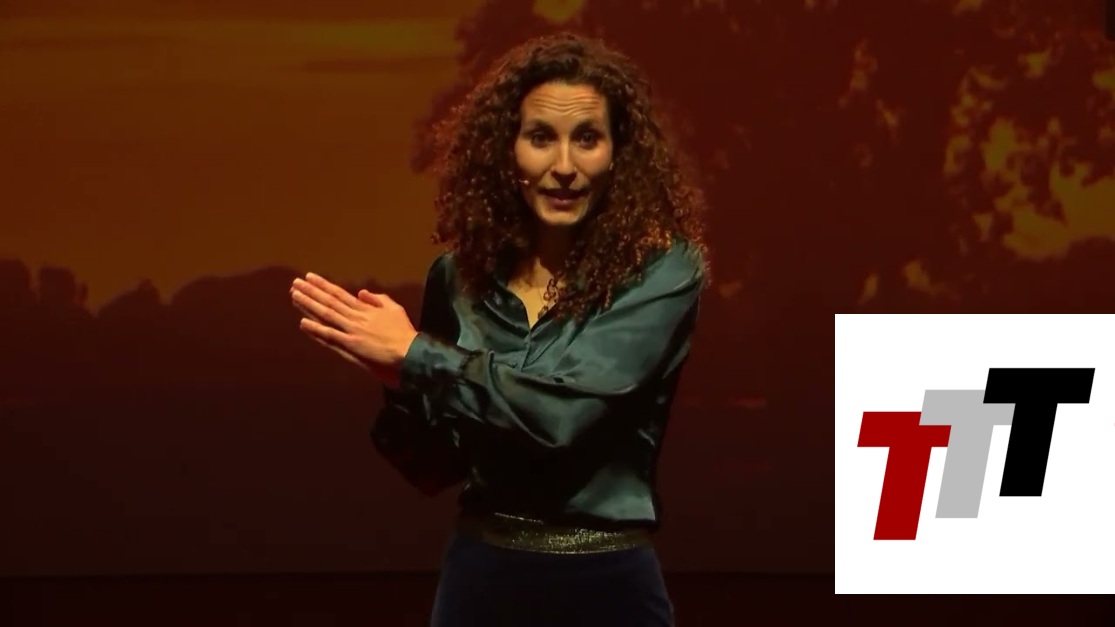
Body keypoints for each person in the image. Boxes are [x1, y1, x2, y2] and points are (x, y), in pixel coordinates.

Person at [289, 31, 709, 627]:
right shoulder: (459, 278)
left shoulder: (660, 271)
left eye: (586, 138)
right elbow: (434, 469)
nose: (564, 167)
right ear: (506, 150)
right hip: (482, 576)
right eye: (541, 138)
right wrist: (399, 383)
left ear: (618, 152)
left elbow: (564, 417)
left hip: (606, 582)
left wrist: (419, 356)